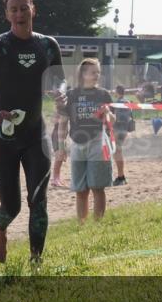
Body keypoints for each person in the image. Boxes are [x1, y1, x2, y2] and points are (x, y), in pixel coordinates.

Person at [0, 0, 65, 263]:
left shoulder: (47, 45)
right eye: (14, 10)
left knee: (38, 200)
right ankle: (0, 231)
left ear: (33, 10)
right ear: (7, 15)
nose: (20, 14)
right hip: (3, 139)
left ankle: (36, 261)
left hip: (35, 135)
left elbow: (60, 79)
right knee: (12, 207)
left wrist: (61, 91)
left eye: (24, 8)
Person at [62, 59, 114, 222]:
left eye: (98, 72)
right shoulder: (71, 95)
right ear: (83, 74)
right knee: (81, 189)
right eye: (93, 72)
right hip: (77, 144)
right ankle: (82, 225)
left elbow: (112, 121)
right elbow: (64, 121)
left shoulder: (103, 94)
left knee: (97, 187)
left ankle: (97, 224)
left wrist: (108, 113)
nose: (97, 75)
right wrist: (61, 146)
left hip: (97, 142)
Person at [111, 84, 133, 187]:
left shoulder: (117, 103)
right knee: (117, 151)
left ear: (117, 92)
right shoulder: (128, 102)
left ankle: (121, 177)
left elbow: (116, 118)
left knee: (117, 151)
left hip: (118, 128)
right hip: (125, 129)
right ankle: (121, 176)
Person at [50, 110, 69, 187]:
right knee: (59, 157)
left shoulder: (62, 110)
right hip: (57, 136)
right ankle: (55, 179)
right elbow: (55, 120)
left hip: (62, 136)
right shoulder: (62, 111)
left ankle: (57, 177)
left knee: (60, 158)